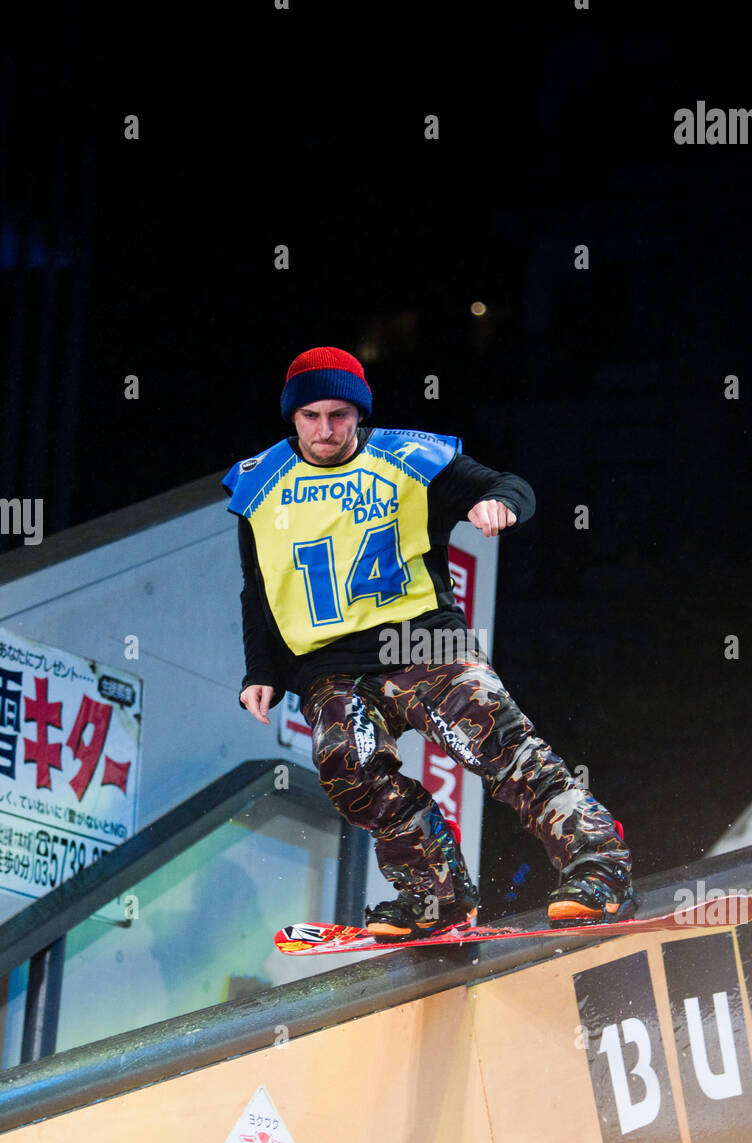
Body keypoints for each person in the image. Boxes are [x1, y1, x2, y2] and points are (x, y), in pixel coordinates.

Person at [223, 346, 632, 940]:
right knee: (349, 769)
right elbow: (256, 589)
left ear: (359, 414)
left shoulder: (409, 458)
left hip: (422, 645)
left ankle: (597, 865)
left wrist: (500, 505)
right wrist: (257, 671)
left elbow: (508, 483)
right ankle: (435, 893)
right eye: (311, 417)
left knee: (498, 744)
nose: (326, 431)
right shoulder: (259, 483)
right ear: (293, 417)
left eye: (339, 415)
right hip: (330, 668)